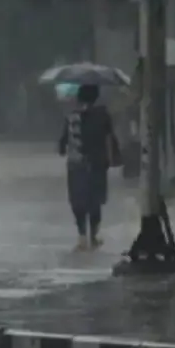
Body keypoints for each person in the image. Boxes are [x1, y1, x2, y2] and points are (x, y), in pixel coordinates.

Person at [59, 83, 119, 250]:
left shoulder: (71, 116)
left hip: (75, 164)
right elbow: (109, 138)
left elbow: (62, 144)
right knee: (95, 200)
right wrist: (110, 158)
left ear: (79, 97)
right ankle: (93, 235)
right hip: (97, 163)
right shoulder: (103, 115)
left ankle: (82, 235)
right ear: (96, 97)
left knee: (77, 199)